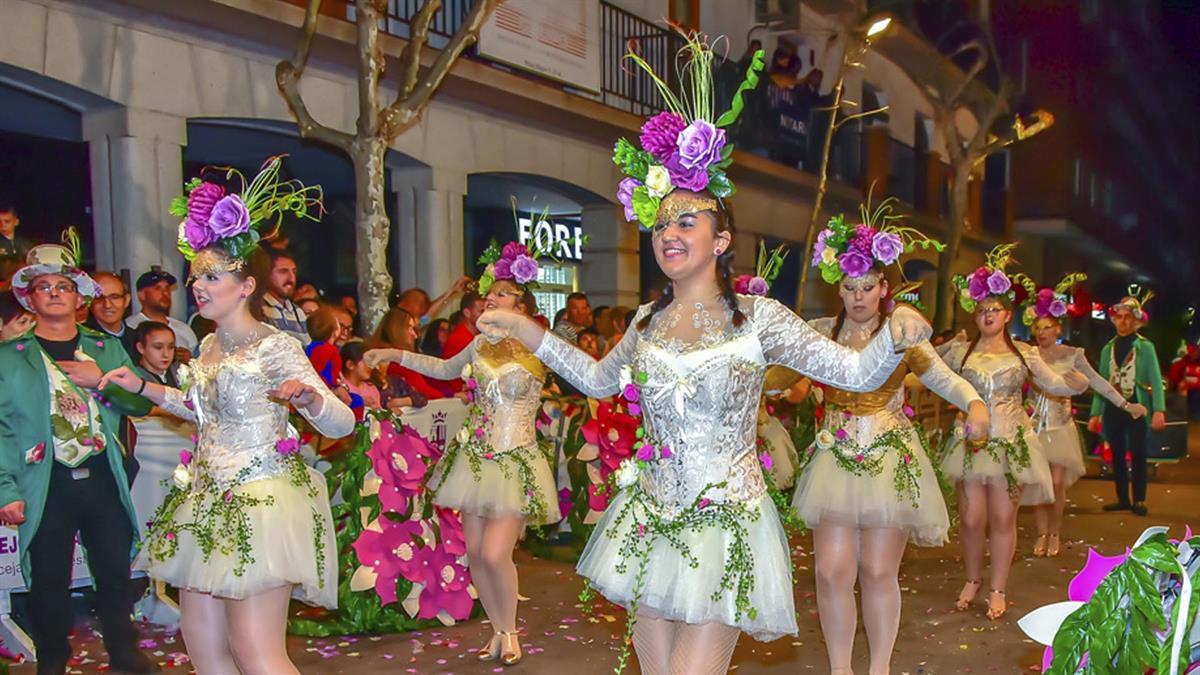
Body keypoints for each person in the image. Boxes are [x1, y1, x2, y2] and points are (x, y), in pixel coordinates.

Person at [474, 36, 929, 673]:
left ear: (721, 240)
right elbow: (600, 381)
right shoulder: (645, 320)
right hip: (649, 524)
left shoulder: (760, 318)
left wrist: (896, 333)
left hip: (727, 526)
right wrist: (528, 331)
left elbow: (853, 371)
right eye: (662, 223)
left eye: (687, 221)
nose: (669, 233)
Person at [99, 160, 354, 675]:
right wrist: (143, 386)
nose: (198, 285)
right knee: (203, 646)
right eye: (197, 276)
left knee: (255, 650)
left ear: (245, 285)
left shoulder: (274, 345)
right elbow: (201, 412)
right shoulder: (210, 344)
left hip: (261, 502)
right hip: (208, 500)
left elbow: (342, 423)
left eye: (212, 277)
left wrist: (309, 400)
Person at [790, 202, 989, 674]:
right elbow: (784, 377)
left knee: (879, 571)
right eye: (849, 287)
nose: (858, 296)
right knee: (831, 572)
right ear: (838, 288)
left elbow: (943, 378)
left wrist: (975, 404)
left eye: (867, 287)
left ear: (883, 287)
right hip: (835, 458)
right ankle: (841, 669)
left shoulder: (902, 336)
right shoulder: (822, 334)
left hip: (889, 459)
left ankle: (878, 669)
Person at [367, 241, 562, 666]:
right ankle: (498, 629)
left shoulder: (539, 348)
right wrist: (393, 352)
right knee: (474, 555)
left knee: (495, 554)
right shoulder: (478, 345)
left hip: (516, 461)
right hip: (474, 460)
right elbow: (441, 369)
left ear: (522, 306)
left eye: (503, 293)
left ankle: (510, 631)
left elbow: (580, 369)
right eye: (490, 293)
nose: (490, 298)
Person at [0, 233, 159, 675]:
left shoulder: (105, 348)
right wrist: (5, 488)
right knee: (48, 579)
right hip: (44, 480)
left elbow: (140, 404)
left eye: (63, 286)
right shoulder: (9, 357)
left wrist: (102, 379)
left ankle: (125, 656)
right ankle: (52, 661)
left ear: (79, 297)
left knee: (114, 572)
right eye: (44, 286)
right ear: (29, 298)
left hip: (102, 474)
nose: (54, 293)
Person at [937, 245, 1087, 620]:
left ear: (1007, 314)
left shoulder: (1024, 353)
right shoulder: (960, 352)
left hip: (1011, 444)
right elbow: (928, 372)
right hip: (971, 443)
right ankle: (972, 579)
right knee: (971, 518)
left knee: (1004, 518)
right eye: (981, 310)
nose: (987, 315)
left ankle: (998, 588)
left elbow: (1053, 382)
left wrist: (1077, 384)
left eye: (995, 309)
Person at [1024, 279, 1147, 556]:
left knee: (1056, 484)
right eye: (1038, 328)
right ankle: (1041, 533)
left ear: (1058, 328)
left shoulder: (1073, 355)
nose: (1042, 332)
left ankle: (1054, 532)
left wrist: (1126, 405)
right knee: (1039, 484)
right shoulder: (1028, 355)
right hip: (1034, 428)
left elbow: (1099, 382)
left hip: (1060, 428)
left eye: (1047, 327)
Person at [1088, 291, 1167, 516]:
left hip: (1137, 407)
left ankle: (1139, 499)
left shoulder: (1145, 347)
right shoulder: (1108, 348)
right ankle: (1122, 498)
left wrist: (1159, 410)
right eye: (1119, 317)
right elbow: (1101, 383)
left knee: (1139, 453)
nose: (1123, 321)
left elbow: (1155, 379)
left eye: (1128, 317)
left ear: (1136, 321)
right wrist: (1095, 413)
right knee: (1117, 454)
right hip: (1114, 408)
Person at [370, 306, 449, 401]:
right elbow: (423, 391)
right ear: (397, 328)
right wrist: (448, 398)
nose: (415, 336)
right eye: (410, 328)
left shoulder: (378, 350)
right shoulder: (398, 357)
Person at [126, 268, 198, 360]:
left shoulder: (184, 329)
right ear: (142, 295)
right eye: (157, 288)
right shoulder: (130, 327)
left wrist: (190, 359)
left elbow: (199, 362)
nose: (165, 293)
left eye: (167, 288)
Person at [254, 248, 309, 345]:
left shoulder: (298, 312)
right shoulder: (257, 308)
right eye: (283, 271)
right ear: (266, 274)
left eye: (294, 272)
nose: (291, 278)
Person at [439, 291, 485, 391]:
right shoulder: (460, 339)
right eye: (481, 311)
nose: (486, 315)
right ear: (467, 313)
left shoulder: (475, 336)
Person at [87, 271, 137, 359]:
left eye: (114, 297)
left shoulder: (139, 339)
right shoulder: (82, 339)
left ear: (126, 300)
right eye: (99, 298)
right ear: (89, 302)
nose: (107, 305)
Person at [132, 321, 179, 388]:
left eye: (171, 347)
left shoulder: (179, 372)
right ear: (141, 348)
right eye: (158, 347)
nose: (166, 354)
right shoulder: (134, 379)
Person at [339, 341, 382, 413]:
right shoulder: (341, 388)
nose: (371, 366)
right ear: (350, 365)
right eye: (366, 361)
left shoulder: (372, 389)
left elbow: (380, 414)